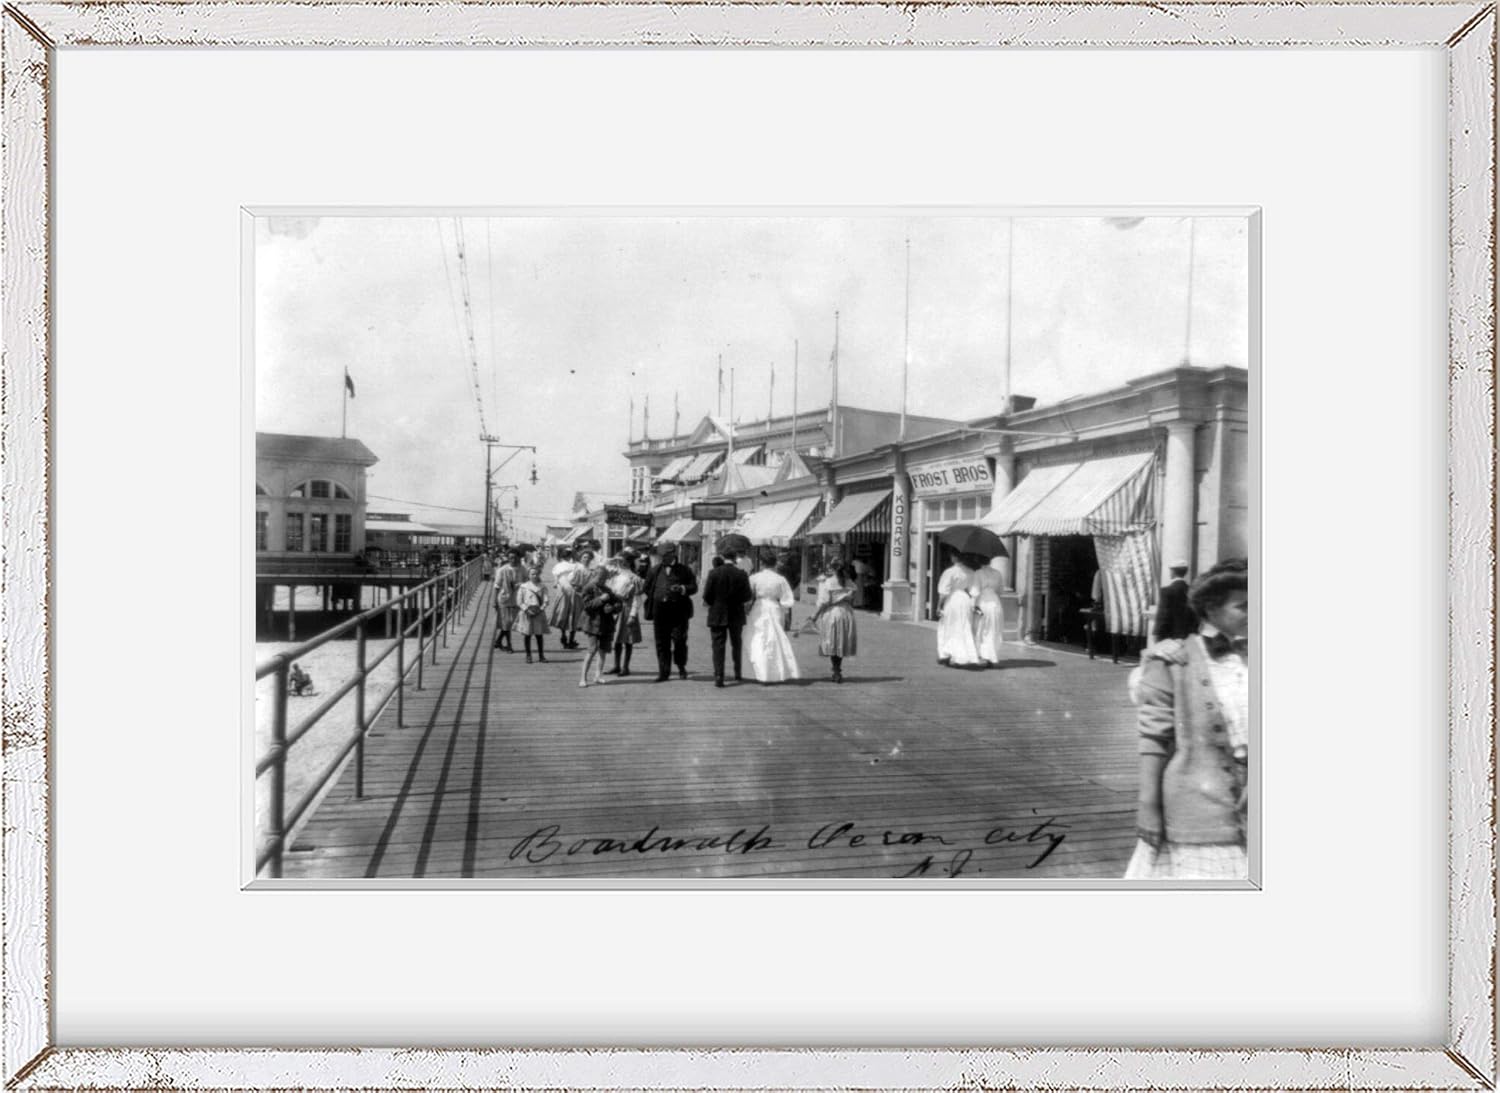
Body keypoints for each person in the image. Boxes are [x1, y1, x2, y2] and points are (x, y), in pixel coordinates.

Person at [1126, 558, 1249, 880]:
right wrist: (1148, 806)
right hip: (1200, 815)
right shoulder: (1175, 662)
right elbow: (1154, 737)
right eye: (1245, 606)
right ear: (1210, 609)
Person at [642, 542, 698, 682]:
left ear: (673, 554)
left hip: (679, 610)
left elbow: (693, 587)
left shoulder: (685, 570)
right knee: (661, 642)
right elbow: (647, 588)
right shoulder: (654, 570)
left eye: (666, 556)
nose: (663, 559)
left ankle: (681, 667)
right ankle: (664, 672)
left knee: (680, 640)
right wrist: (659, 596)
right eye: (662, 556)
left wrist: (682, 589)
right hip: (659, 610)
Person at [745, 549, 800, 683]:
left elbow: (747, 595)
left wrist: (746, 607)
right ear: (774, 563)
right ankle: (775, 671)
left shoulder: (754, 578)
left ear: (762, 563)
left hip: (759, 607)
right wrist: (785, 610)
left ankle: (759, 670)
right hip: (774, 607)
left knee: (758, 637)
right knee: (775, 637)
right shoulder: (780, 579)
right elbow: (787, 599)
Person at [702, 549, 753, 688]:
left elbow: (707, 595)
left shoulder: (713, 573)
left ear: (722, 557)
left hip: (718, 613)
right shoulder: (741, 574)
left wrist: (716, 603)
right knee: (736, 644)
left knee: (718, 645)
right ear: (735, 557)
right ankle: (738, 672)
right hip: (736, 613)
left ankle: (719, 675)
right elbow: (747, 596)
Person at [811, 558, 858, 683]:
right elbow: (853, 600)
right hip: (846, 613)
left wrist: (815, 616)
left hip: (832, 613)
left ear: (832, 568)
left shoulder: (829, 582)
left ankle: (836, 671)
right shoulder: (850, 583)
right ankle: (837, 670)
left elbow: (824, 602)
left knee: (833, 642)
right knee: (841, 642)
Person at [578, 564, 622, 687]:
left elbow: (618, 603)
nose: (602, 581)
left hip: (605, 624)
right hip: (592, 624)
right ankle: (583, 678)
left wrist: (612, 608)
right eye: (600, 578)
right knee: (592, 650)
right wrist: (601, 600)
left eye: (604, 579)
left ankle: (598, 675)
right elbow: (587, 606)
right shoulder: (588, 588)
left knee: (603, 651)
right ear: (594, 575)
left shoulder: (607, 590)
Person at [935, 551, 981, 667]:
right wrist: (972, 603)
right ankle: (964, 655)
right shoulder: (971, 572)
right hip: (965, 600)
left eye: (952, 555)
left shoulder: (949, 572)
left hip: (952, 600)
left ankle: (949, 654)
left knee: (949, 626)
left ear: (954, 557)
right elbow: (974, 591)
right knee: (964, 626)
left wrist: (939, 606)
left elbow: (944, 592)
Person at [607, 550, 645, 677]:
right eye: (618, 560)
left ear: (628, 562)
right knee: (617, 639)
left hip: (627, 609)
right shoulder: (614, 576)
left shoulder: (634, 578)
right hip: (616, 608)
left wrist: (633, 615)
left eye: (622, 560)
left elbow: (637, 599)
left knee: (628, 639)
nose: (620, 562)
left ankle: (625, 667)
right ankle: (616, 665)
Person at [969, 555, 1006, 667]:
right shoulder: (998, 573)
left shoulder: (978, 573)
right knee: (993, 629)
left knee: (981, 628)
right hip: (995, 602)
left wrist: (973, 605)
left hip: (983, 602)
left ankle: (984, 654)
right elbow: (1000, 590)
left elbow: (975, 591)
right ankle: (991, 655)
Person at [1152, 560, 1197, 642]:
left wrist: (1157, 634)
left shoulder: (1167, 591)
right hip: (1187, 637)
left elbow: (1163, 615)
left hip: (1168, 637)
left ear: (1172, 572)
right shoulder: (1192, 591)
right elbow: (1195, 616)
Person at [513, 564, 550, 664]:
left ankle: (541, 655)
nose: (534, 576)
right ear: (528, 575)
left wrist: (541, 608)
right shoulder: (524, 587)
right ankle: (528, 655)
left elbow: (546, 600)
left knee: (539, 635)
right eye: (532, 574)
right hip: (527, 612)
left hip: (538, 612)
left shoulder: (542, 587)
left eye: (536, 574)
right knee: (527, 635)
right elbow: (519, 601)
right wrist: (526, 609)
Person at [547, 548, 582, 649]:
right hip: (575, 593)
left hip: (562, 593)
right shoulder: (576, 566)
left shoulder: (557, 566)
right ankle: (571, 639)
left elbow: (555, 583)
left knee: (562, 614)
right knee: (574, 615)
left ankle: (563, 636)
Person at [492, 548, 524, 652]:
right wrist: (494, 601)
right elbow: (496, 586)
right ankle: (509, 645)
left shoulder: (523, 569)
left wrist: (520, 585)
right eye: (510, 558)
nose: (513, 560)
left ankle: (498, 641)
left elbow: (528, 582)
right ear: (508, 558)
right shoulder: (502, 570)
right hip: (504, 599)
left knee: (510, 623)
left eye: (515, 558)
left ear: (519, 558)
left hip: (516, 599)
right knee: (506, 622)